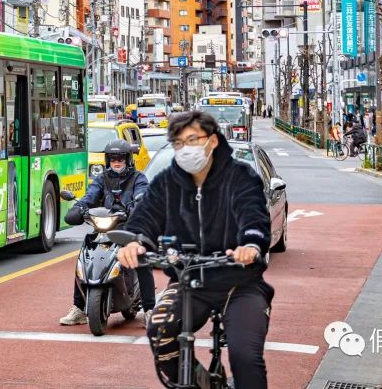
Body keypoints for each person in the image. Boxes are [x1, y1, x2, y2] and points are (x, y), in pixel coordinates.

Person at [117, 111, 273, 389]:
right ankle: (204, 384)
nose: (185, 149)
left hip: (241, 283)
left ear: (212, 141)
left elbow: (254, 216)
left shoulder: (240, 176)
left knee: (245, 357)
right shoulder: (166, 182)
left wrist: (250, 245)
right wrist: (135, 241)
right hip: (189, 282)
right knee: (159, 330)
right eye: (178, 143)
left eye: (192, 140)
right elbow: (145, 217)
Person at [60, 140, 156, 327]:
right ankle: (79, 308)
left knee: (141, 258)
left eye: (120, 157)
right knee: (85, 253)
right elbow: (90, 196)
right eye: (113, 158)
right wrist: (80, 207)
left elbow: (142, 194)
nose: (117, 161)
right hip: (104, 226)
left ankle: (150, 309)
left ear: (128, 159)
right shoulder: (102, 178)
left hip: (129, 227)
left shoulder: (139, 178)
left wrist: (137, 206)